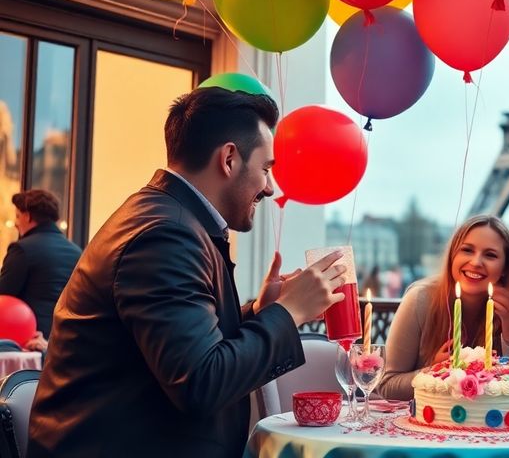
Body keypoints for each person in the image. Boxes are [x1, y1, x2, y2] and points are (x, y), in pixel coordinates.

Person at [28, 88, 348, 458]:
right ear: (229, 158)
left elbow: (184, 347)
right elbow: (201, 383)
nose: (270, 187)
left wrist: (260, 313)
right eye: (265, 168)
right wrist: (288, 314)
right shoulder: (166, 235)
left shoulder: (166, 218)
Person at [378, 214, 509, 400]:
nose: (476, 262)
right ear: (453, 255)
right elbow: (386, 385)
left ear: (505, 269)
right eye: (467, 250)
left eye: (490, 255)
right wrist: (437, 371)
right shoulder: (420, 299)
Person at [0, 189, 82, 348]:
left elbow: (4, 293)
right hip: (65, 340)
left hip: (30, 342)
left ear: (27, 216)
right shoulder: (77, 251)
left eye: (17, 216)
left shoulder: (22, 249)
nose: (16, 223)